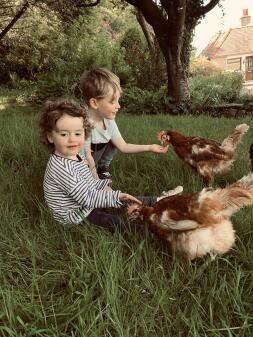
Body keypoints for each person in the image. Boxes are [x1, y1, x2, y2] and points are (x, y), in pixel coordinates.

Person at [39, 98, 167, 233]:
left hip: (87, 202)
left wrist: (102, 185)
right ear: (50, 137)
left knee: (124, 198)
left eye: (78, 133)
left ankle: (158, 201)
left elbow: (87, 183)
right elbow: (87, 197)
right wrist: (114, 196)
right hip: (76, 216)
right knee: (110, 220)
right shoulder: (61, 169)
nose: (72, 139)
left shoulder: (76, 156)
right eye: (64, 134)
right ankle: (148, 231)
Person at [79, 67, 168, 179]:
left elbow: (123, 146)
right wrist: (98, 184)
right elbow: (87, 158)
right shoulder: (82, 125)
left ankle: (102, 168)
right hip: (80, 169)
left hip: (93, 157)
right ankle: (98, 176)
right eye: (112, 101)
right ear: (94, 103)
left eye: (118, 100)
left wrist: (150, 147)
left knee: (113, 139)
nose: (118, 106)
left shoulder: (108, 120)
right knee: (104, 192)